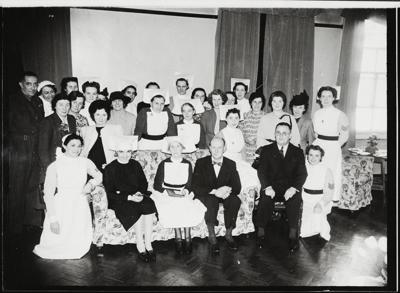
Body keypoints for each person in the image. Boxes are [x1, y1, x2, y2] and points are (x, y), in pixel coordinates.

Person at [33, 134, 102, 259]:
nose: (76, 149)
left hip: (79, 203)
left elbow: (99, 176)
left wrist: (91, 184)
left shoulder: (85, 162)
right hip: (62, 204)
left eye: (79, 146)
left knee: (78, 244)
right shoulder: (54, 166)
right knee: (55, 242)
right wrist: (53, 219)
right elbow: (48, 194)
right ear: (64, 146)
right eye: (72, 145)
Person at [254, 122, 307, 253]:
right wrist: (267, 187)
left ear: (290, 135)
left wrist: (294, 188)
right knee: (265, 199)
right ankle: (261, 232)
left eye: (285, 133)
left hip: (289, 188)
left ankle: (292, 235)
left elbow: (302, 173)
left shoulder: (298, 152)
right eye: (278, 133)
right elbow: (261, 171)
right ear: (274, 134)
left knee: (295, 199)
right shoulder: (266, 150)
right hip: (272, 187)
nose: (281, 136)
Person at [103, 135, 157, 263]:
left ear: (132, 152)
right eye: (121, 151)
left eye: (128, 151)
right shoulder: (110, 168)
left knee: (148, 205)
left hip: (137, 195)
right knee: (134, 208)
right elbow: (109, 192)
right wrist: (129, 197)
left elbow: (143, 183)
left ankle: (148, 244)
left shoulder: (136, 164)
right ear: (116, 152)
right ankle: (140, 245)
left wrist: (139, 193)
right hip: (121, 199)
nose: (125, 155)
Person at [152, 137, 207, 255]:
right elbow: (157, 183)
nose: (175, 149)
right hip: (167, 193)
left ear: (182, 148)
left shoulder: (187, 163)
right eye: (172, 147)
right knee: (174, 205)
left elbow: (190, 182)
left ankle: (187, 237)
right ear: (169, 149)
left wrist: (186, 191)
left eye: (178, 146)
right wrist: (169, 191)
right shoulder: (164, 163)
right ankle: (178, 237)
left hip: (183, 192)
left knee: (186, 204)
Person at [8, 71, 44, 238]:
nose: (33, 87)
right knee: (17, 188)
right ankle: (13, 228)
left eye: (35, 84)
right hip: (19, 148)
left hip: (35, 147)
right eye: (29, 84)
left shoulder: (37, 101)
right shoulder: (11, 101)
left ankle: (30, 223)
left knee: (32, 186)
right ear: (21, 84)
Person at [192, 136, 242, 254]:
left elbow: (237, 187)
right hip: (208, 195)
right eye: (213, 147)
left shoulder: (231, 164)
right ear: (209, 148)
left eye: (219, 147)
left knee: (235, 200)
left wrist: (226, 189)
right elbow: (196, 187)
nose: (216, 150)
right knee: (211, 200)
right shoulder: (201, 163)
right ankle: (212, 236)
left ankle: (229, 234)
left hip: (225, 195)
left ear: (224, 148)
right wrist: (215, 191)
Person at [312, 86, 349, 204]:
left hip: (333, 147)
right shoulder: (317, 114)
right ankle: (316, 198)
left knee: (331, 173)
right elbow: (316, 132)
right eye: (323, 96)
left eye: (329, 96)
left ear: (334, 98)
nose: (326, 99)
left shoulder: (340, 115)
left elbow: (344, 135)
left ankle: (330, 200)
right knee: (317, 171)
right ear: (319, 98)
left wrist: (335, 146)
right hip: (318, 145)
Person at [38, 93, 77, 186]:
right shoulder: (47, 121)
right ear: (55, 106)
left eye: (67, 105)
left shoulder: (71, 119)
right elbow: (43, 150)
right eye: (61, 104)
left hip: (70, 162)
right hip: (54, 162)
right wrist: (50, 170)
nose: (64, 108)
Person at [216, 109, 260, 190]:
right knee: (242, 177)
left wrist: (246, 163)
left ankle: (250, 199)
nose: (234, 121)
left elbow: (243, 150)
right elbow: (217, 153)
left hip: (239, 161)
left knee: (253, 173)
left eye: (236, 118)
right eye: (231, 118)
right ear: (226, 119)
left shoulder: (239, 132)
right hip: (227, 163)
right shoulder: (222, 133)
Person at [300, 145, 334, 242]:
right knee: (301, 230)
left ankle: (320, 229)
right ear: (307, 156)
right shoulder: (303, 167)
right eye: (311, 155)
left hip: (319, 200)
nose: (313, 158)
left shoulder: (327, 170)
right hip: (305, 200)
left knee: (317, 214)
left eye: (316, 156)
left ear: (321, 157)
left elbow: (330, 191)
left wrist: (321, 203)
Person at [80, 100, 123, 172]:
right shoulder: (85, 130)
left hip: (108, 166)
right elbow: (82, 151)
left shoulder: (116, 129)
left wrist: (112, 165)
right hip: (88, 166)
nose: (101, 118)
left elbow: (121, 150)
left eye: (104, 115)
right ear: (92, 115)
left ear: (108, 115)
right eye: (97, 115)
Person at [239, 92, 267, 163]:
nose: (257, 105)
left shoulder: (266, 117)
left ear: (262, 103)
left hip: (262, 153)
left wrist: (257, 139)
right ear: (251, 103)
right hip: (246, 153)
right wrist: (246, 139)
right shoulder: (245, 116)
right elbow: (239, 132)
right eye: (255, 102)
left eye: (259, 102)